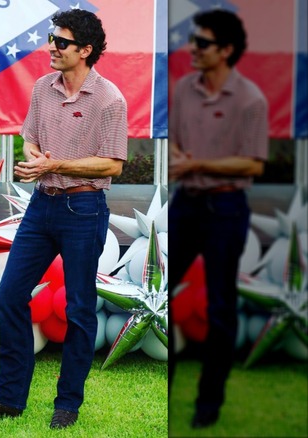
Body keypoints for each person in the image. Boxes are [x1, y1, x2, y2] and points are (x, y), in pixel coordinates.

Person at [0, 9, 127, 429]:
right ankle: (9, 398)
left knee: (80, 309)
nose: (51, 47)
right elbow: (30, 139)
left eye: (61, 42)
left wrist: (54, 165)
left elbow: (113, 165)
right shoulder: (42, 89)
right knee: (9, 295)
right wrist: (36, 162)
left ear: (85, 51)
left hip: (84, 209)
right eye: (52, 38)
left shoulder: (109, 99)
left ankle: (68, 403)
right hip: (41, 206)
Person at [167, 9, 267, 429]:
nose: (193, 48)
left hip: (226, 209)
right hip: (186, 205)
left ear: (226, 50)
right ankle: (165, 385)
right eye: (193, 40)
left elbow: (254, 164)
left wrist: (197, 165)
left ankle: (209, 403)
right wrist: (179, 161)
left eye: (202, 43)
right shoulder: (184, 89)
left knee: (221, 307)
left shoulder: (251, 99)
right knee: (160, 297)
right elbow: (174, 144)